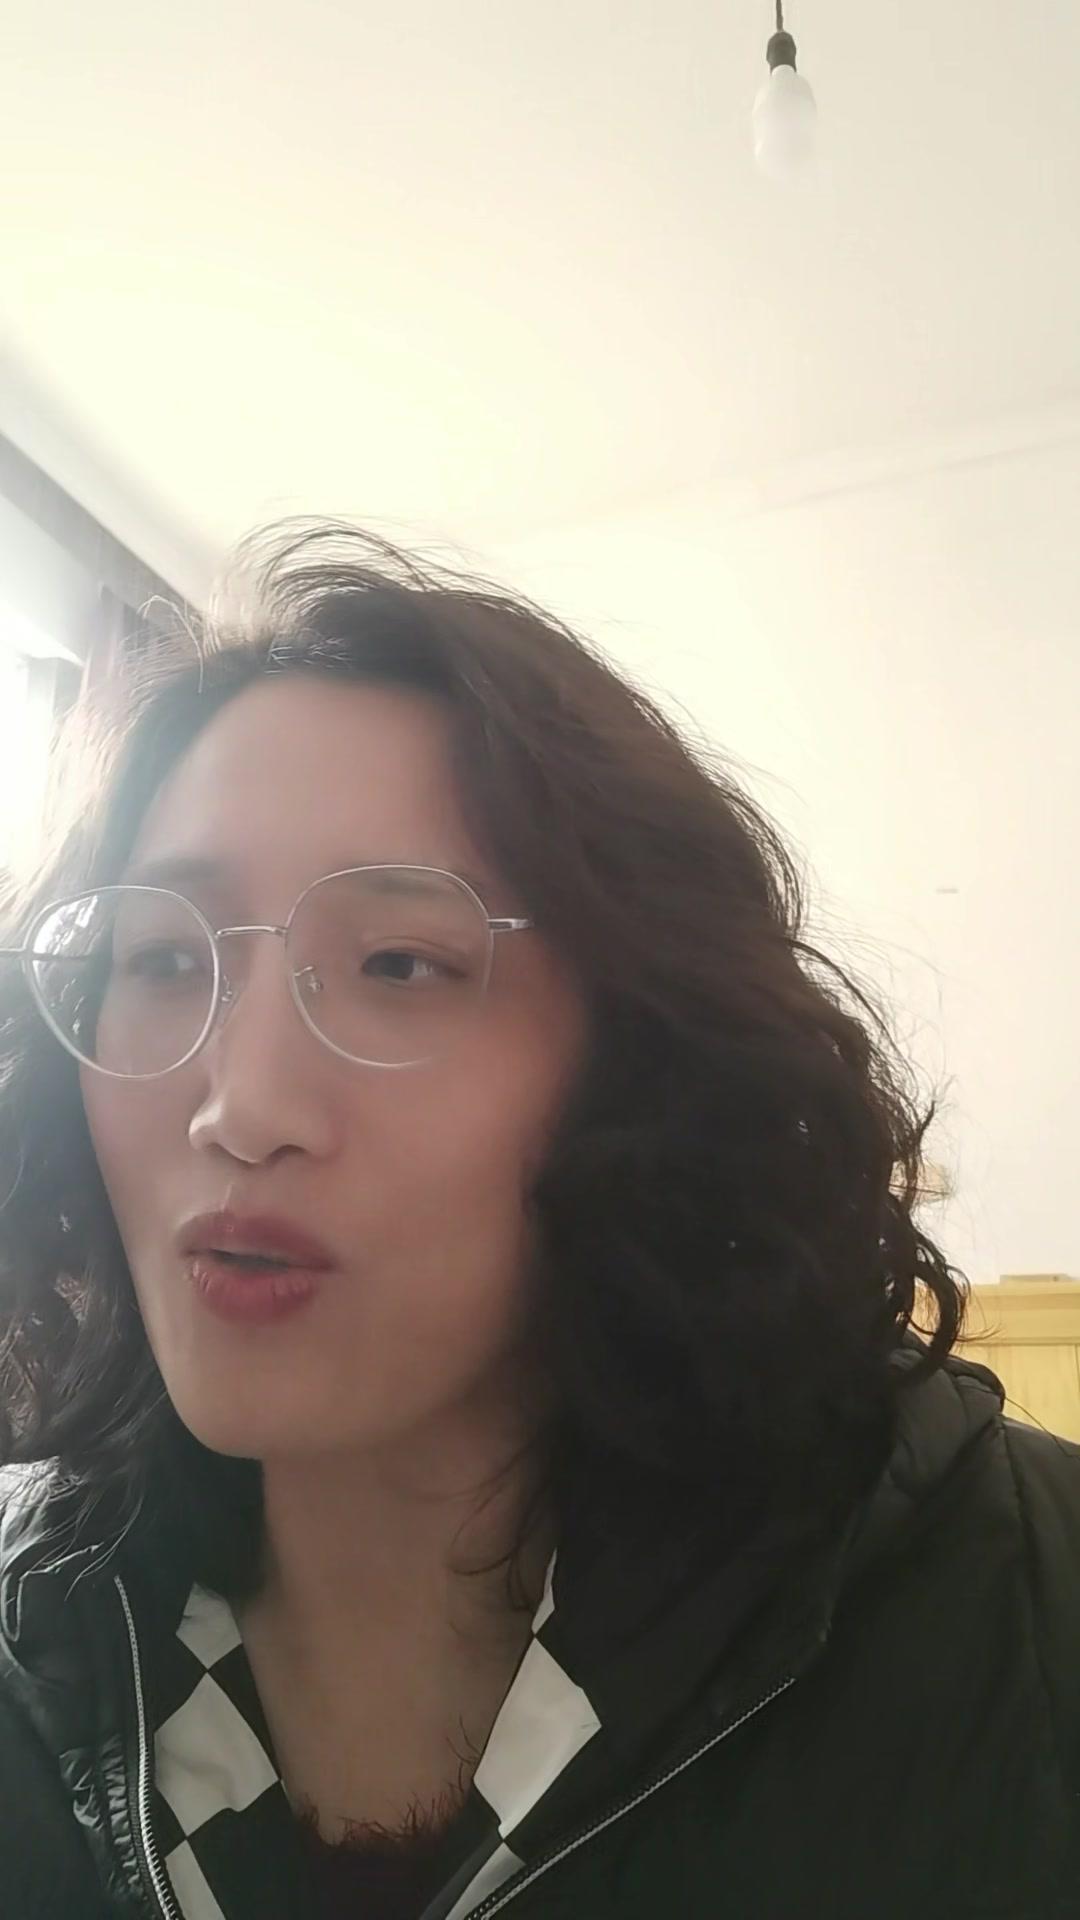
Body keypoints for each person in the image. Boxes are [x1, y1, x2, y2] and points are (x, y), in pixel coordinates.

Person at [0, 518, 1076, 1920]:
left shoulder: (1026, 1614)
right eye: (159, 961)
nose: (241, 1107)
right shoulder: (39, 1663)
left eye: (400, 964)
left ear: (633, 1064)